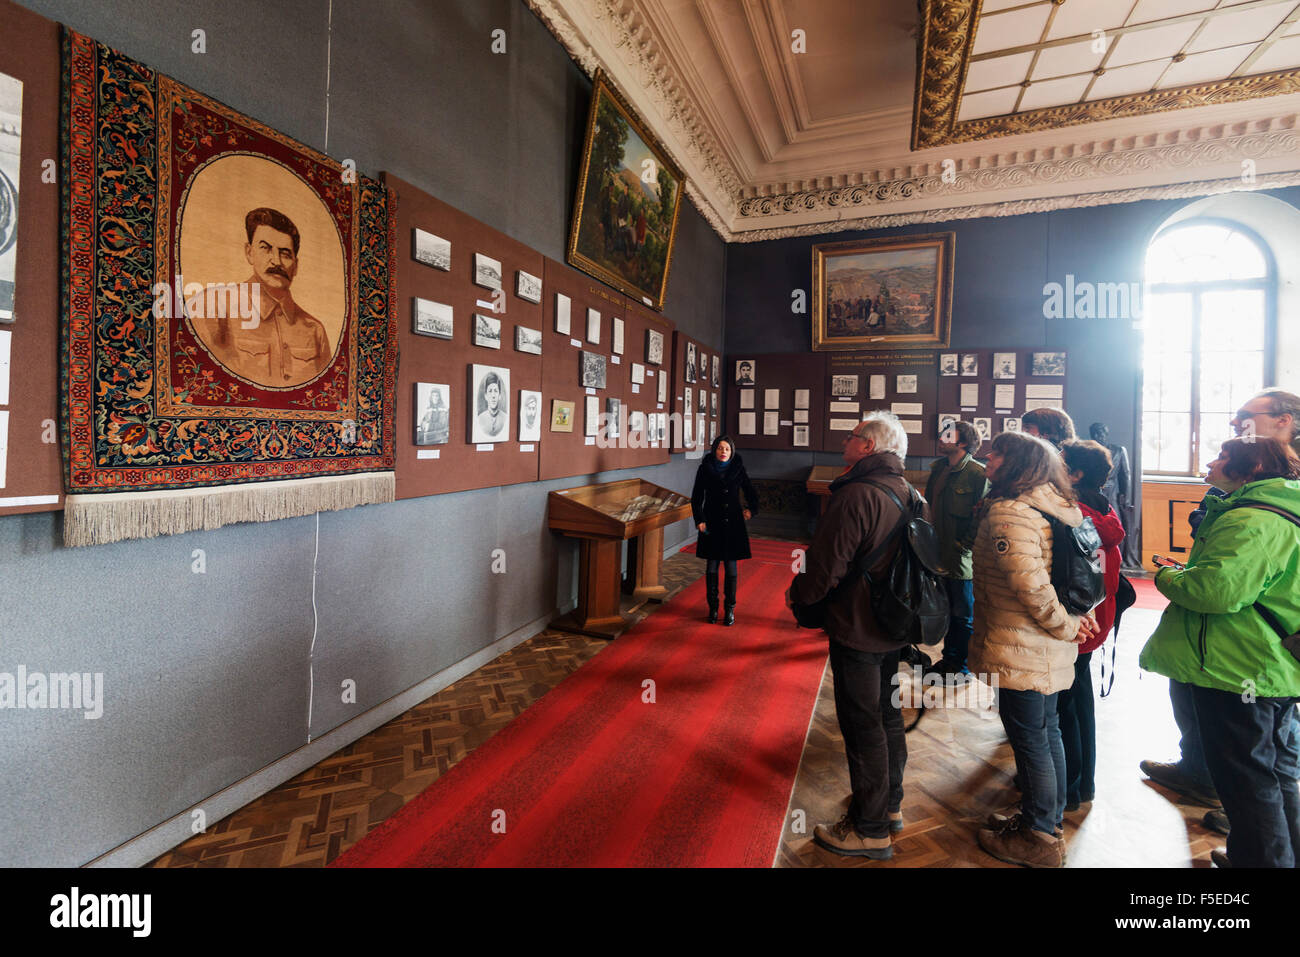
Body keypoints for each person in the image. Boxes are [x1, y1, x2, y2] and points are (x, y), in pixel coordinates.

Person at [1139, 437, 1300, 867]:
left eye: (1222, 457)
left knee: (1247, 782)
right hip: (1270, 665)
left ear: (1253, 467)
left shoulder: (1252, 519)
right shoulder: (1282, 507)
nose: (1210, 463)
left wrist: (1169, 576)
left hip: (1238, 665)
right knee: (1276, 772)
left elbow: (1216, 590)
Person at [786, 412, 921, 859]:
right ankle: (889, 805)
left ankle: (870, 828)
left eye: (852, 435)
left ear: (869, 446)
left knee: (862, 723)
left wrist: (799, 598)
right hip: (893, 623)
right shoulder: (908, 491)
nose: (845, 441)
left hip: (858, 625)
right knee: (885, 717)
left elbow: (825, 566)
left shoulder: (857, 494)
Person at [968, 431, 1098, 868]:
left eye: (998, 453)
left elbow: (1033, 588)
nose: (989, 457)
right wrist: (1077, 621)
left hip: (1023, 645)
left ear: (1018, 463)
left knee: (1031, 740)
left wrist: (1066, 626)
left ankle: (1039, 837)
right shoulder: (1055, 504)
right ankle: (1045, 820)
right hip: (1042, 644)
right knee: (1047, 733)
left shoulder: (1012, 512)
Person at [1058, 439, 1125, 812]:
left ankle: (1067, 788)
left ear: (1076, 474)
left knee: (1065, 708)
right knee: (1079, 704)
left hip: (1079, 621)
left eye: (1062, 462)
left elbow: (1077, 577)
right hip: (1095, 619)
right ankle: (1083, 783)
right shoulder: (1104, 509)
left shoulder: (1075, 515)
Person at [200, 207, 332, 388]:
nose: (276, 261)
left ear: (296, 265)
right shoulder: (212, 309)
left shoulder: (315, 331)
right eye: (266, 249)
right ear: (249, 252)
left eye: (285, 254)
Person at [924, 420, 989, 677]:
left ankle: (960, 667)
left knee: (963, 615)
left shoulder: (977, 474)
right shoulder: (938, 468)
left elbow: (982, 517)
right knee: (945, 610)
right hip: (936, 552)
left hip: (962, 558)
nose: (941, 437)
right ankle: (948, 660)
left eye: (948, 435)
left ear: (962, 443)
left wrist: (965, 548)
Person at [691, 435, 759, 626]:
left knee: (731, 566)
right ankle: (712, 608)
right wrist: (700, 520)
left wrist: (751, 509)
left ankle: (729, 609)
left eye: (727, 449)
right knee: (712, 566)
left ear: (732, 451)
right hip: (711, 523)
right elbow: (696, 497)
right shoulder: (704, 469)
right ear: (714, 450)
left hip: (733, 523)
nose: (723, 452)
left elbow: (751, 492)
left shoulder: (738, 469)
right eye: (720, 448)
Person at [477, 372, 506, 438]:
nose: (493, 395)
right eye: (490, 391)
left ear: (499, 395)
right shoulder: (480, 418)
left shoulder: (504, 418)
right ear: (486, 396)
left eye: (496, 391)